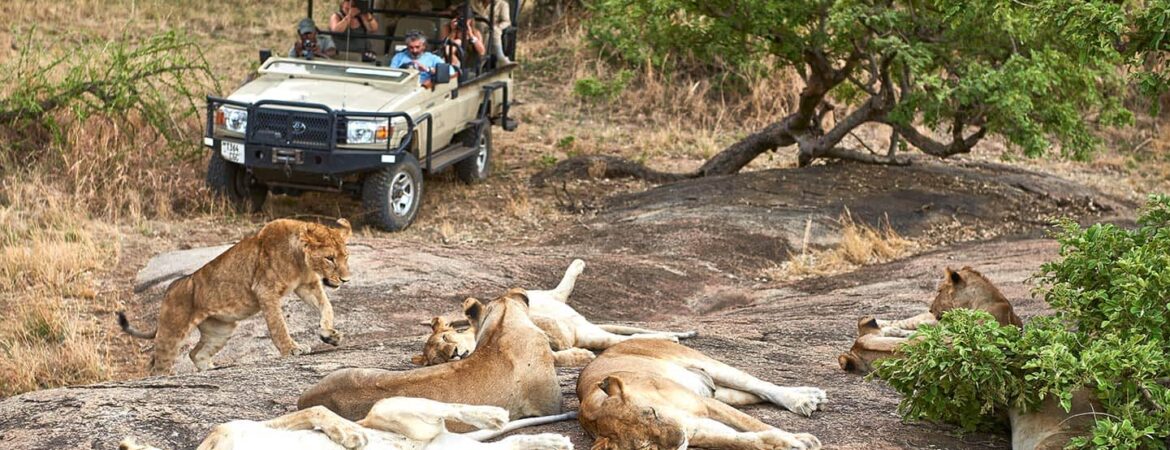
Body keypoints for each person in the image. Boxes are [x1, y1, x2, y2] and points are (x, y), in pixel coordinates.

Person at [469, 0, 511, 65]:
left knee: (493, 31)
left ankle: (498, 58)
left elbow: (506, 22)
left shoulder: (502, 4)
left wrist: (498, 27)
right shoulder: (473, 2)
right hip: (473, 28)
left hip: (489, 29)